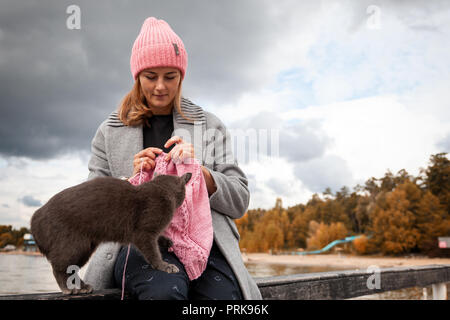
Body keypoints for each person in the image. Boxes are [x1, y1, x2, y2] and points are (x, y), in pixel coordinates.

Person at [83, 17, 262, 300]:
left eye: (170, 76)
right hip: (140, 242)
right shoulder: (109, 132)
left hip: (204, 244)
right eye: (150, 76)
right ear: (137, 76)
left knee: (224, 298)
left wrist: (203, 176)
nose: (160, 86)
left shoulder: (210, 126)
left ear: (182, 76)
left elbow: (240, 200)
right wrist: (128, 182)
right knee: (163, 291)